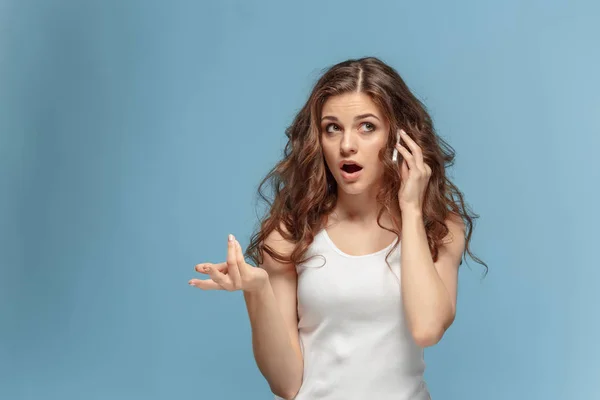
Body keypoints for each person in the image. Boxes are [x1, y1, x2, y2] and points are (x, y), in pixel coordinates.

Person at [189, 57, 488, 399]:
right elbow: (286, 384)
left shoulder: (438, 227)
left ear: (397, 137)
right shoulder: (292, 231)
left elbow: (427, 328)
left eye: (367, 127)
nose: (347, 145)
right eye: (333, 128)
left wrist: (410, 208)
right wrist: (258, 292)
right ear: (318, 139)